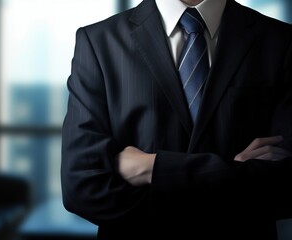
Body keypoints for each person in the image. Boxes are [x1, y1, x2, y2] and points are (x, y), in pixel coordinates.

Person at [61, 0, 292, 239]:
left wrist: (151, 167)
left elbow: (285, 186)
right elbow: (81, 186)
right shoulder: (98, 42)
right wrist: (231, 173)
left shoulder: (280, 40)